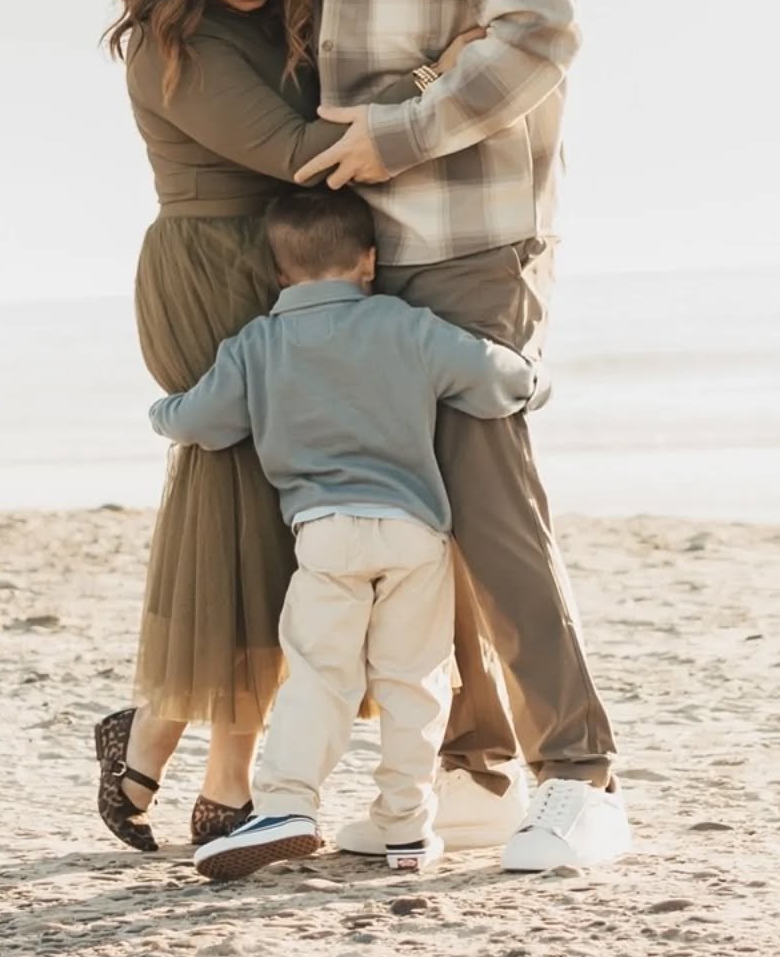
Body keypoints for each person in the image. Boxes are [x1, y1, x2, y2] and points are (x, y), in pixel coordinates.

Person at [286, 0, 632, 872]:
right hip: (359, 248)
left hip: (473, 230)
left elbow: (542, 32)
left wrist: (403, 134)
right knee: (409, 509)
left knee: (490, 501)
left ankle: (582, 777)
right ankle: (477, 761)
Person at [94, 0, 479, 853]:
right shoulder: (167, 45)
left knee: (274, 523)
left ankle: (155, 735)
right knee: (241, 512)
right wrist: (457, 110)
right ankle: (216, 770)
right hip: (214, 267)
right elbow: (301, 151)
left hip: (283, 262)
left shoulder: (278, 22)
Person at [149, 187, 545, 882]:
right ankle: (404, 826)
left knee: (319, 677)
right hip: (414, 533)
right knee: (411, 680)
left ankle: (288, 805)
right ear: (369, 261)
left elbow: (200, 422)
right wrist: (534, 382)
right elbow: (492, 374)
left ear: (279, 273)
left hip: (325, 535)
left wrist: (161, 411)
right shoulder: (405, 326)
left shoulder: (257, 345)